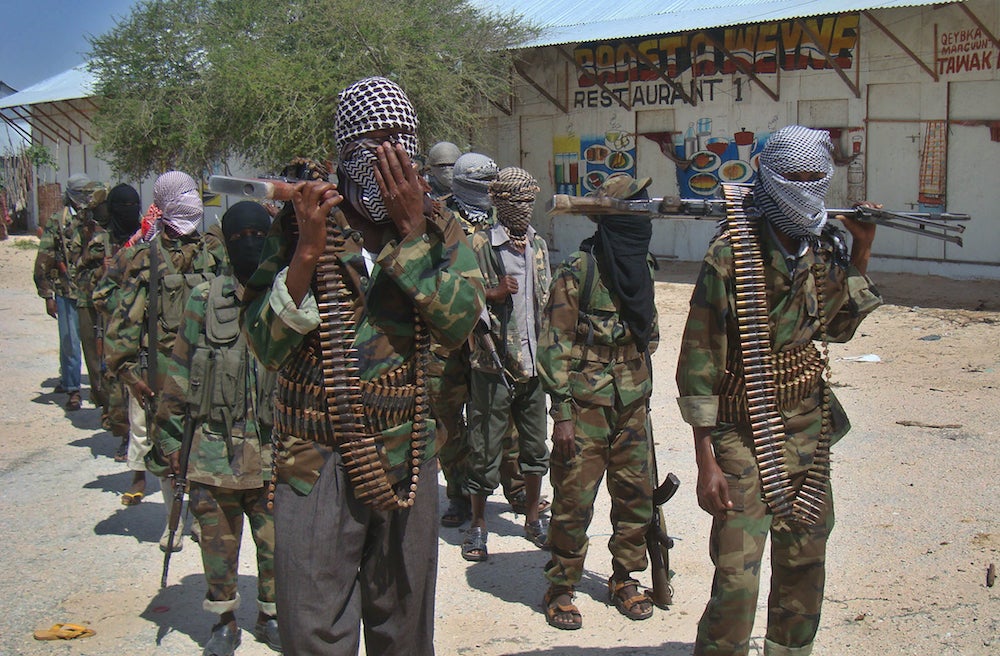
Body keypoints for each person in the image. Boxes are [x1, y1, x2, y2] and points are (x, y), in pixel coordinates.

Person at [242, 75, 485, 656]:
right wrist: (306, 250)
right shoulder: (306, 221)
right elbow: (264, 345)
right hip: (316, 454)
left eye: (403, 143)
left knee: (403, 624)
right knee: (313, 626)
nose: (391, 160)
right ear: (346, 149)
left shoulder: (443, 230)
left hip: (407, 455)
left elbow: (458, 324)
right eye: (376, 144)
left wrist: (410, 234)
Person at [675, 125, 882, 656]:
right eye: (795, 177)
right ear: (769, 177)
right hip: (745, 431)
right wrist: (707, 461)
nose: (807, 190)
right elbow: (700, 363)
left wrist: (861, 249)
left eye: (817, 178)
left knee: (805, 564)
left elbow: (836, 329)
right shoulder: (732, 253)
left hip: (809, 431)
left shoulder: (823, 247)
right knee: (738, 578)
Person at [154, 201, 280, 656]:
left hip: (273, 453)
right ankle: (223, 620)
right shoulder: (203, 299)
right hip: (213, 451)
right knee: (217, 548)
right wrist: (168, 439)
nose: (249, 244)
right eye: (239, 236)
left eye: (257, 235)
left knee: (276, 547)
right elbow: (180, 369)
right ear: (225, 243)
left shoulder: (285, 295)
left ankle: (271, 616)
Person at [537, 173, 661, 630]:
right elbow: (553, 345)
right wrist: (563, 416)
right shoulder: (578, 269)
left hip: (632, 402)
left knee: (635, 496)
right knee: (573, 497)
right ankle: (562, 584)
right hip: (585, 404)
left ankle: (625, 578)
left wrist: (641, 395)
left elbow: (650, 335)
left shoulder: (642, 267)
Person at [104, 171, 226, 546]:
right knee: (164, 446)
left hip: (209, 367)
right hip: (161, 371)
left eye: (194, 193)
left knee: (207, 442)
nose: (192, 200)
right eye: (184, 194)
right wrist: (130, 375)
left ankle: (198, 516)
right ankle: (173, 518)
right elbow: (119, 313)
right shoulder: (142, 256)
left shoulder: (213, 251)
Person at [461, 166, 551, 561]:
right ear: (497, 201)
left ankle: (532, 518)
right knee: (484, 447)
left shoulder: (538, 245)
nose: (523, 208)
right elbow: (460, 298)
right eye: (515, 200)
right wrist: (492, 293)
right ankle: (478, 524)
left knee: (535, 447)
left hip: (533, 365)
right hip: (492, 364)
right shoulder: (479, 244)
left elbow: (544, 302)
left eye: (528, 199)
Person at [33, 173, 103, 411]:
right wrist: (47, 295)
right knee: (70, 342)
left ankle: (99, 389)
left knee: (97, 342)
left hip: (94, 291)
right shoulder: (59, 221)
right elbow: (45, 258)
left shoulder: (97, 218)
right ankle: (73, 389)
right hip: (67, 291)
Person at [92, 183, 143, 460]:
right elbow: (89, 285)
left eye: (132, 205)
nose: (129, 211)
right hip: (113, 323)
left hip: (144, 323)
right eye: (122, 206)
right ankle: (125, 436)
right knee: (115, 382)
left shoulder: (146, 238)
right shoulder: (101, 242)